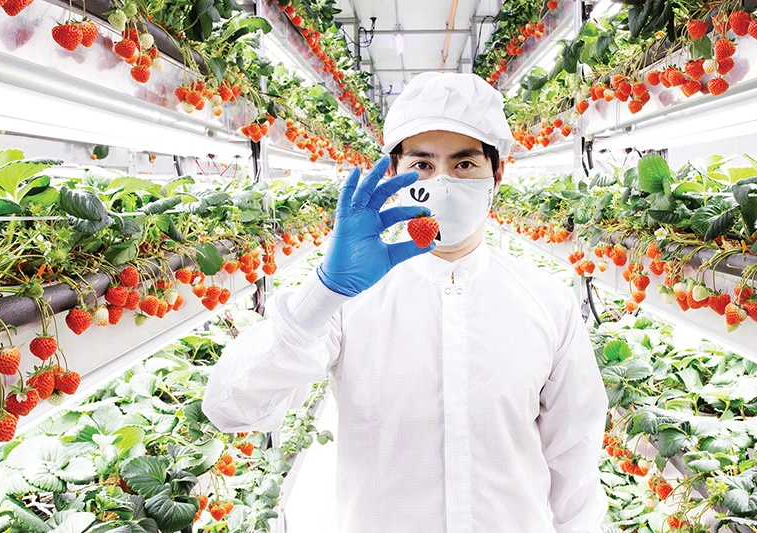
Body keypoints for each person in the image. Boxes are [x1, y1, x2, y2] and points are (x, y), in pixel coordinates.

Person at [202, 72, 609, 533]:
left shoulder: (546, 304)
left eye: (464, 165)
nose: (443, 181)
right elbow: (231, 407)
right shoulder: (347, 302)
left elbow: (573, 466)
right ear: (393, 174)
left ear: (497, 173)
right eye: (421, 165)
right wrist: (325, 291)